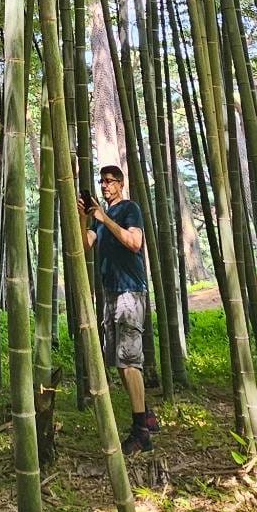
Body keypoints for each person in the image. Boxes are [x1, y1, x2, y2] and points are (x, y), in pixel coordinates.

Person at [83, 164, 157, 452]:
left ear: (121, 184)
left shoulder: (129, 209)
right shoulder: (99, 219)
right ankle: (146, 416)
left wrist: (105, 218)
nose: (105, 186)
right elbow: (84, 245)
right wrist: (84, 216)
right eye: (102, 181)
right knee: (120, 361)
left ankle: (141, 432)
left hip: (130, 292)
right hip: (111, 294)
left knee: (129, 361)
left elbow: (134, 242)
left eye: (110, 181)